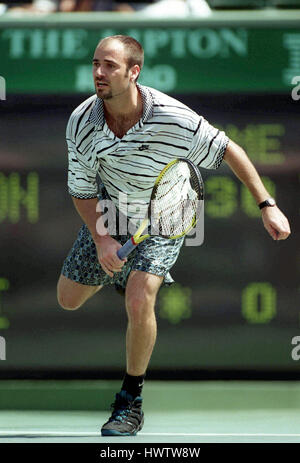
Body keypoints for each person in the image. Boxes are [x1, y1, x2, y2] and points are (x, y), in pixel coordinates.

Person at [57, 35, 291, 436]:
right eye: (96, 63)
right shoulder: (81, 122)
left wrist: (267, 205)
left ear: (134, 71)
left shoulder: (172, 118)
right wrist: (102, 240)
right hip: (111, 209)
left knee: (139, 296)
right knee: (68, 299)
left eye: (109, 65)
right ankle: (118, 274)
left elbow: (231, 150)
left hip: (169, 210)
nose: (99, 73)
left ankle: (130, 402)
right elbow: (81, 190)